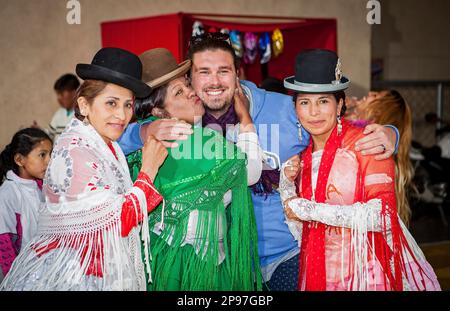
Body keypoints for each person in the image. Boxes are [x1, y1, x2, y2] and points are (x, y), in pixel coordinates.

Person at [118, 32, 399, 291]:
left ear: (238, 73)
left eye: (223, 71)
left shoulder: (285, 111)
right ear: (191, 78)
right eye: (204, 72)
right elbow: (115, 138)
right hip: (228, 265)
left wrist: (390, 133)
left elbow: (337, 126)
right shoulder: (186, 119)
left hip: (287, 255)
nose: (214, 82)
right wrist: (142, 131)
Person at [1, 47, 168, 290]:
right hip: (74, 276)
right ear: (84, 104)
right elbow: (116, 222)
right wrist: (148, 170)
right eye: (111, 103)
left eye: (128, 105)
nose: (121, 115)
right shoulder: (75, 149)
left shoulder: (103, 144)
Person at [280, 48, 440, 291]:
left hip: (368, 274)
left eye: (323, 101)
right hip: (320, 275)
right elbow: (301, 230)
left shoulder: (368, 142)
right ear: (295, 108)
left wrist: (310, 209)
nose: (313, 112)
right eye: (304, 102)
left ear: (339, 104)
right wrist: (286, 185)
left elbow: (382, 215)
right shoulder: (301, 155)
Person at [126, 48, 262, 290]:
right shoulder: (196, 140)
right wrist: (246, 122)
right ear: (158, 110)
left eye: (187, 84)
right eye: (179, 92)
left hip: (158, 264)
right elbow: (250, 172)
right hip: (197, 268)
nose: (191, 93)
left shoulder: (139, 139)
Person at [347, 90, 414, 226]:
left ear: (379, 111)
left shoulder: (373, 144)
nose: (370, 92)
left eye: (376, 95)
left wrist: (391, 132)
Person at [0, 128, 52, 282]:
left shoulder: (42, 187)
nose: (49, 161)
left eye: (50, 154)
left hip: (43, 270)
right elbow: (5, 243)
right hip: (20, 276)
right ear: (20, 160)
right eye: (42, 155)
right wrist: (13, 282)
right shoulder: (8, 193)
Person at [49, 74, 80, 139]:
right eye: (57, 94)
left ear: (75, 92)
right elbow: (50, 134)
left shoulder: (82, 114)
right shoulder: (59, 113)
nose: (59, 98)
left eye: (61, 94)